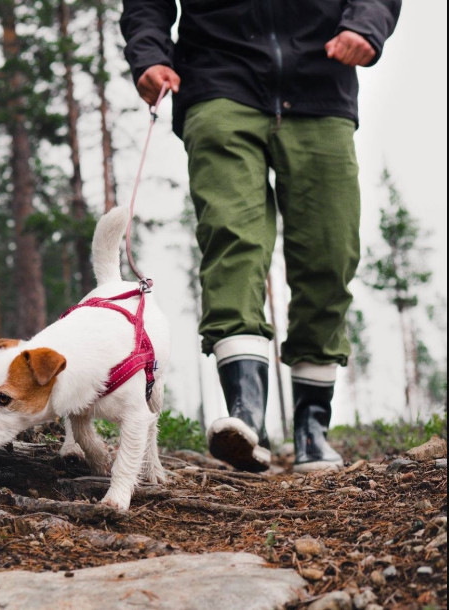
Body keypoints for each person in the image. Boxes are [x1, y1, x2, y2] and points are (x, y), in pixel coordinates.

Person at [121, 0, 401, 473]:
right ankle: (246, 415)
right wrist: (149, 54)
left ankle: (313, 427)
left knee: (329, 253)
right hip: (217, 83)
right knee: (234, 243)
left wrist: (366, 25)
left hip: (322, 83)